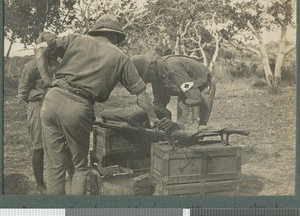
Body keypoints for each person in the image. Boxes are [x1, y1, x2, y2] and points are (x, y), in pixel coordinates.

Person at [34, 14, 159, 195]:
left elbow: (40, 48)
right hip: (78, 106)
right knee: (80, 168)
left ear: (96, 30)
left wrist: (48, 80)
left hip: (51, 101)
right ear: (116, 36)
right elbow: (140, 93)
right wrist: (153, 117)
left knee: (55, 167)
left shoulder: (75, 39)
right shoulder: (121, 57)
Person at [18, 31, 74, 194]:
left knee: (64, 143)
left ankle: (72, 177)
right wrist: (42, 94)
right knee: (39, 146)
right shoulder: (30, 67)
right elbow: (23, 93)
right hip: (37, 108)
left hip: (58, 106)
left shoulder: (57, 64)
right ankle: (40, 184)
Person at [101, 54, 216, 133]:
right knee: (183, 125)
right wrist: (155, 118)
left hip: (202, 85)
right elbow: (159, 102)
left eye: (147, 77)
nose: (150, 81)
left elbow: (192, 93)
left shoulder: (173, 67)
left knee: (195, 127)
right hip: (185, 91)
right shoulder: (156, 76)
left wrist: (196, 120)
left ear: (151, 67)